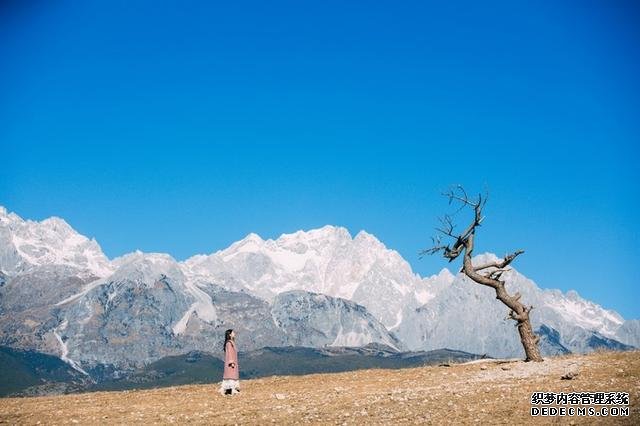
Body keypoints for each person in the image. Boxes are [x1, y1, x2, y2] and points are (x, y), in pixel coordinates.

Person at [219, 329, 240, 395]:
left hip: (233, 362)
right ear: (230, 334)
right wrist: (231, 362)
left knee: (232, 375)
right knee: (231, 376)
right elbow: (230, 353)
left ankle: (232, 389)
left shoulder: (231, 342)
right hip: (231, 363)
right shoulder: (229, 343)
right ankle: (231, 389)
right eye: (233, 333)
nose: (234, 334)